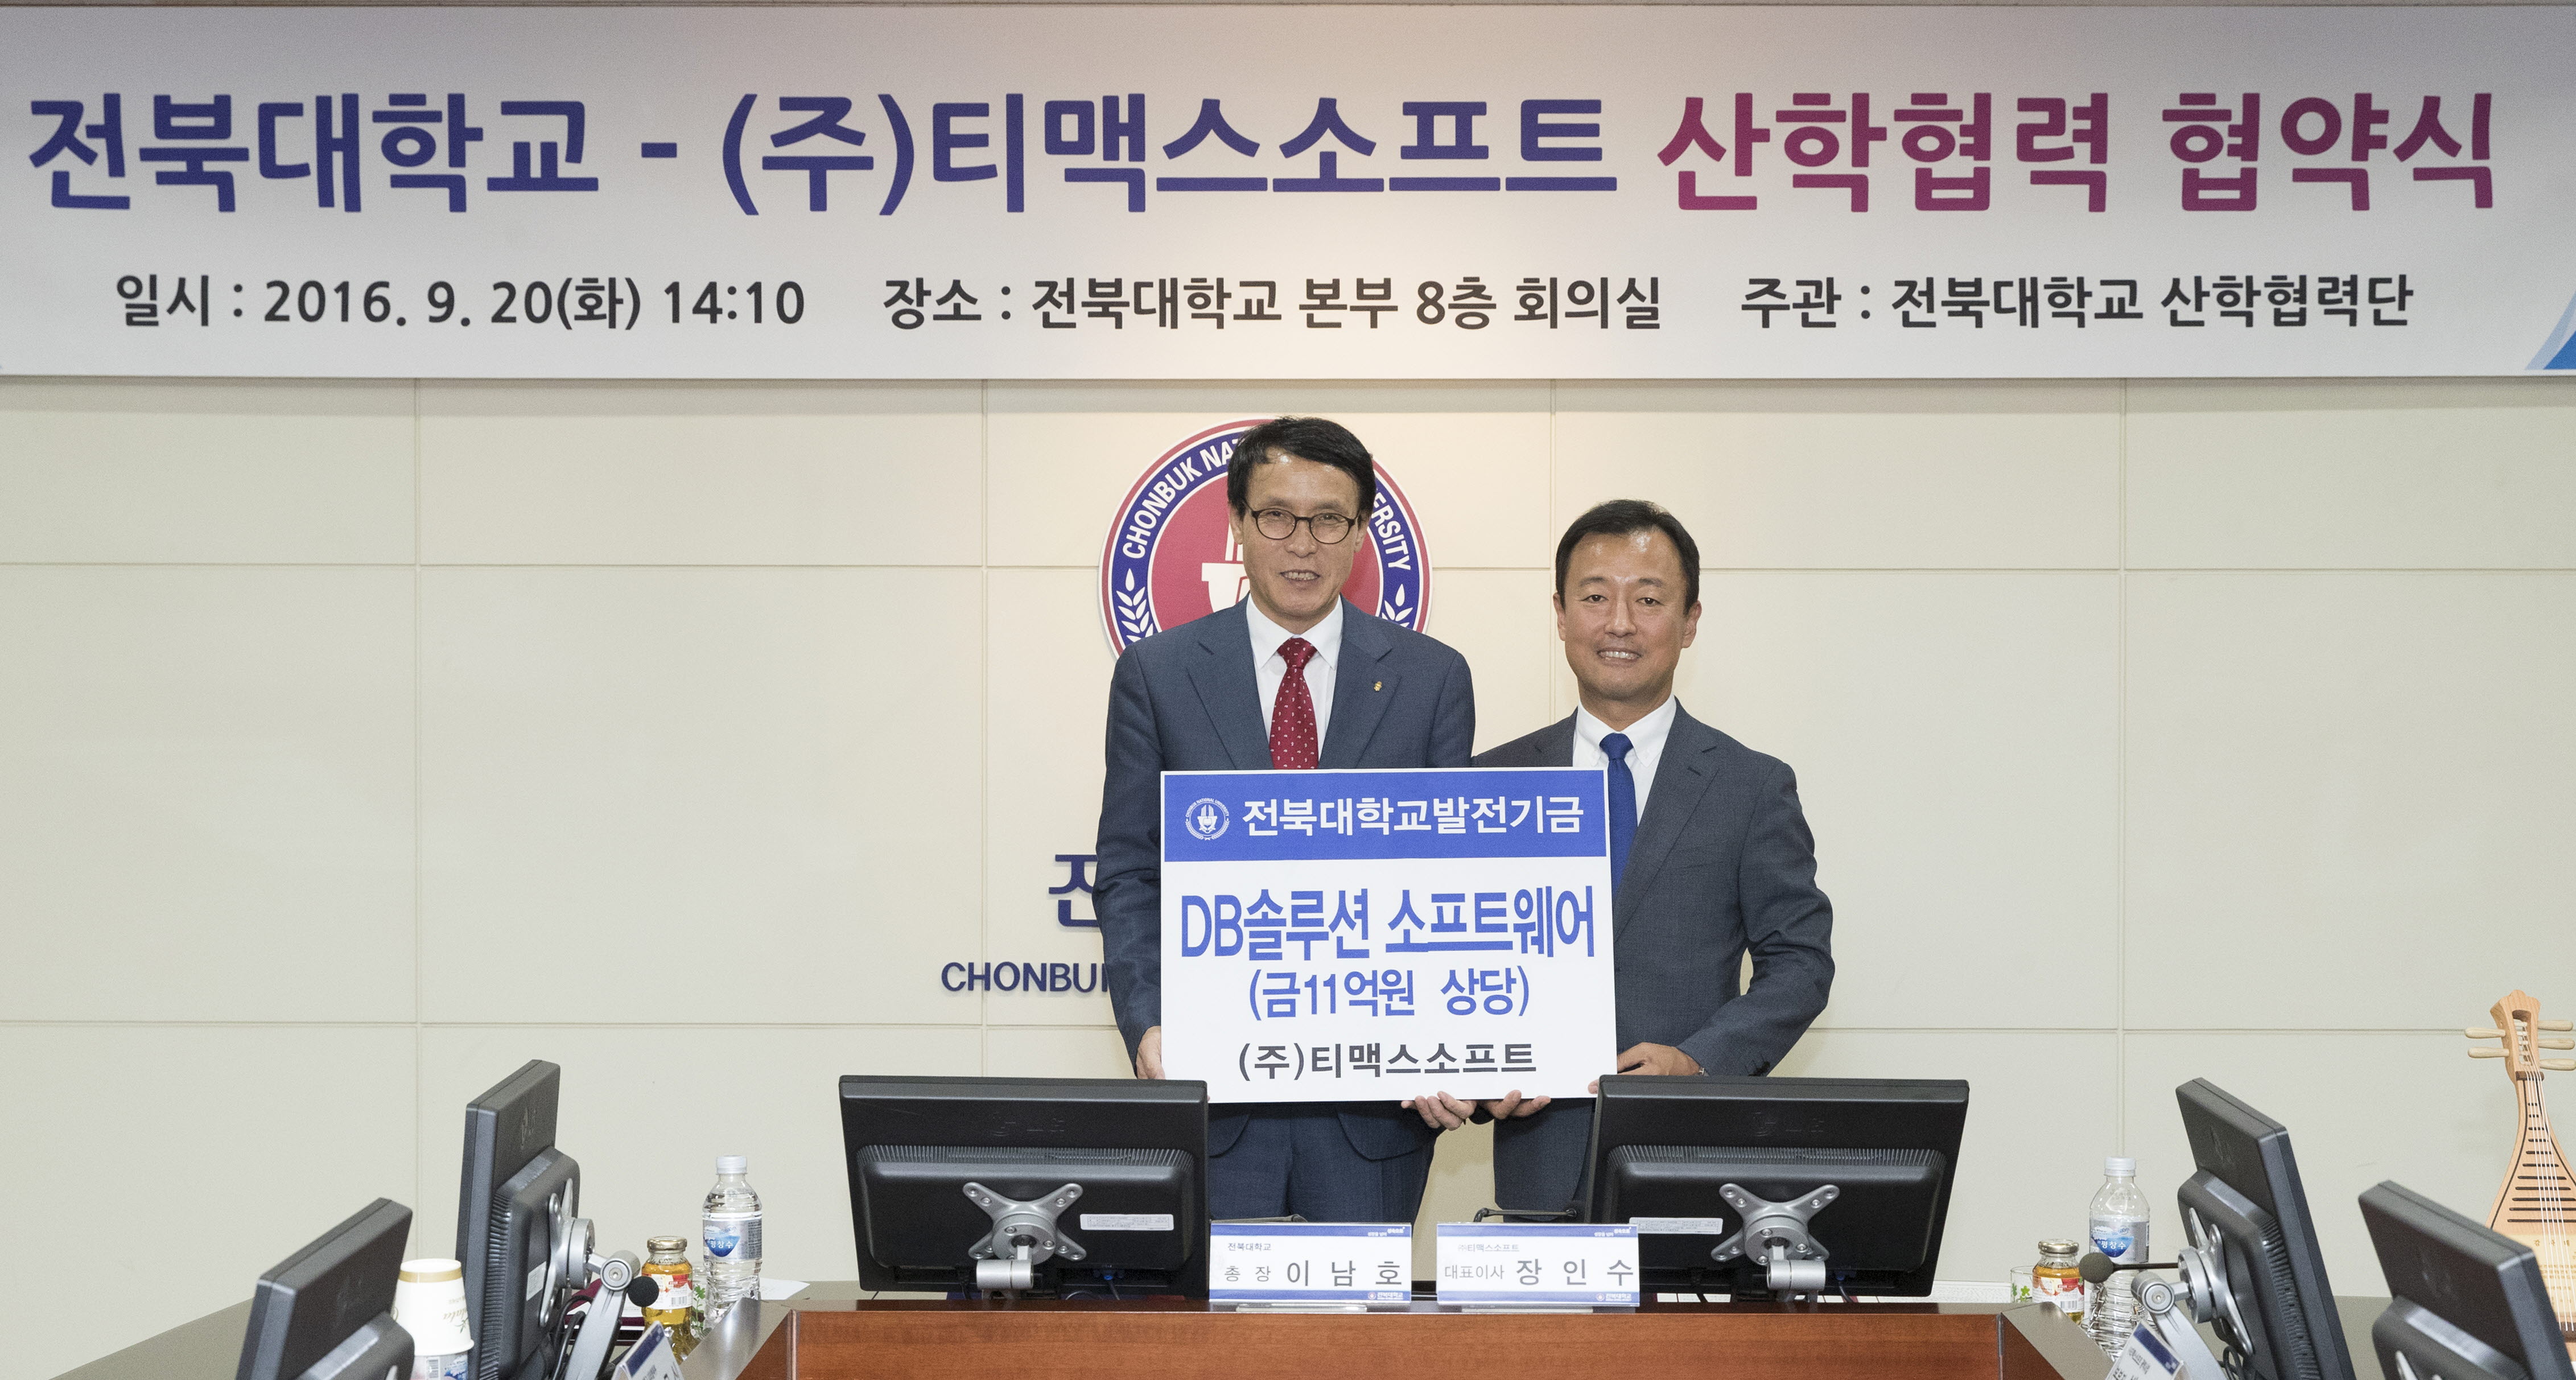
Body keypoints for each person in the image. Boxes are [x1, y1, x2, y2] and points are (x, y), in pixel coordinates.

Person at [1093, 415, 1477, 1222]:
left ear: (1360, 533)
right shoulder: (1158, 674)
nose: (1302, 543)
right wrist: (1149, 1023)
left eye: (1329, 519)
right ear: (1237, 523)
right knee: (1211, 1310)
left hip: (1375, 1109)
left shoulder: (1431, 678)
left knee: (1360, 1311)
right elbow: (1129, 872)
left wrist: (1452, 1038)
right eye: (1276, 516)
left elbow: (1454, 879)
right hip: (1216, 1096)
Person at [1416, 499, 1833, 1215]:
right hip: (1538, 1159)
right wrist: (1467, 1066)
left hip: (1693, 1154)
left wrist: (1698, 1062)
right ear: (1560, 614)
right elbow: (1438, 953)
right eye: (1594, 597)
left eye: (1648, 599)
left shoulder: (1751, 786)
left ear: (1690, 620)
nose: (1618, 623)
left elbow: (1800, 962)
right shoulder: (1489, 783)